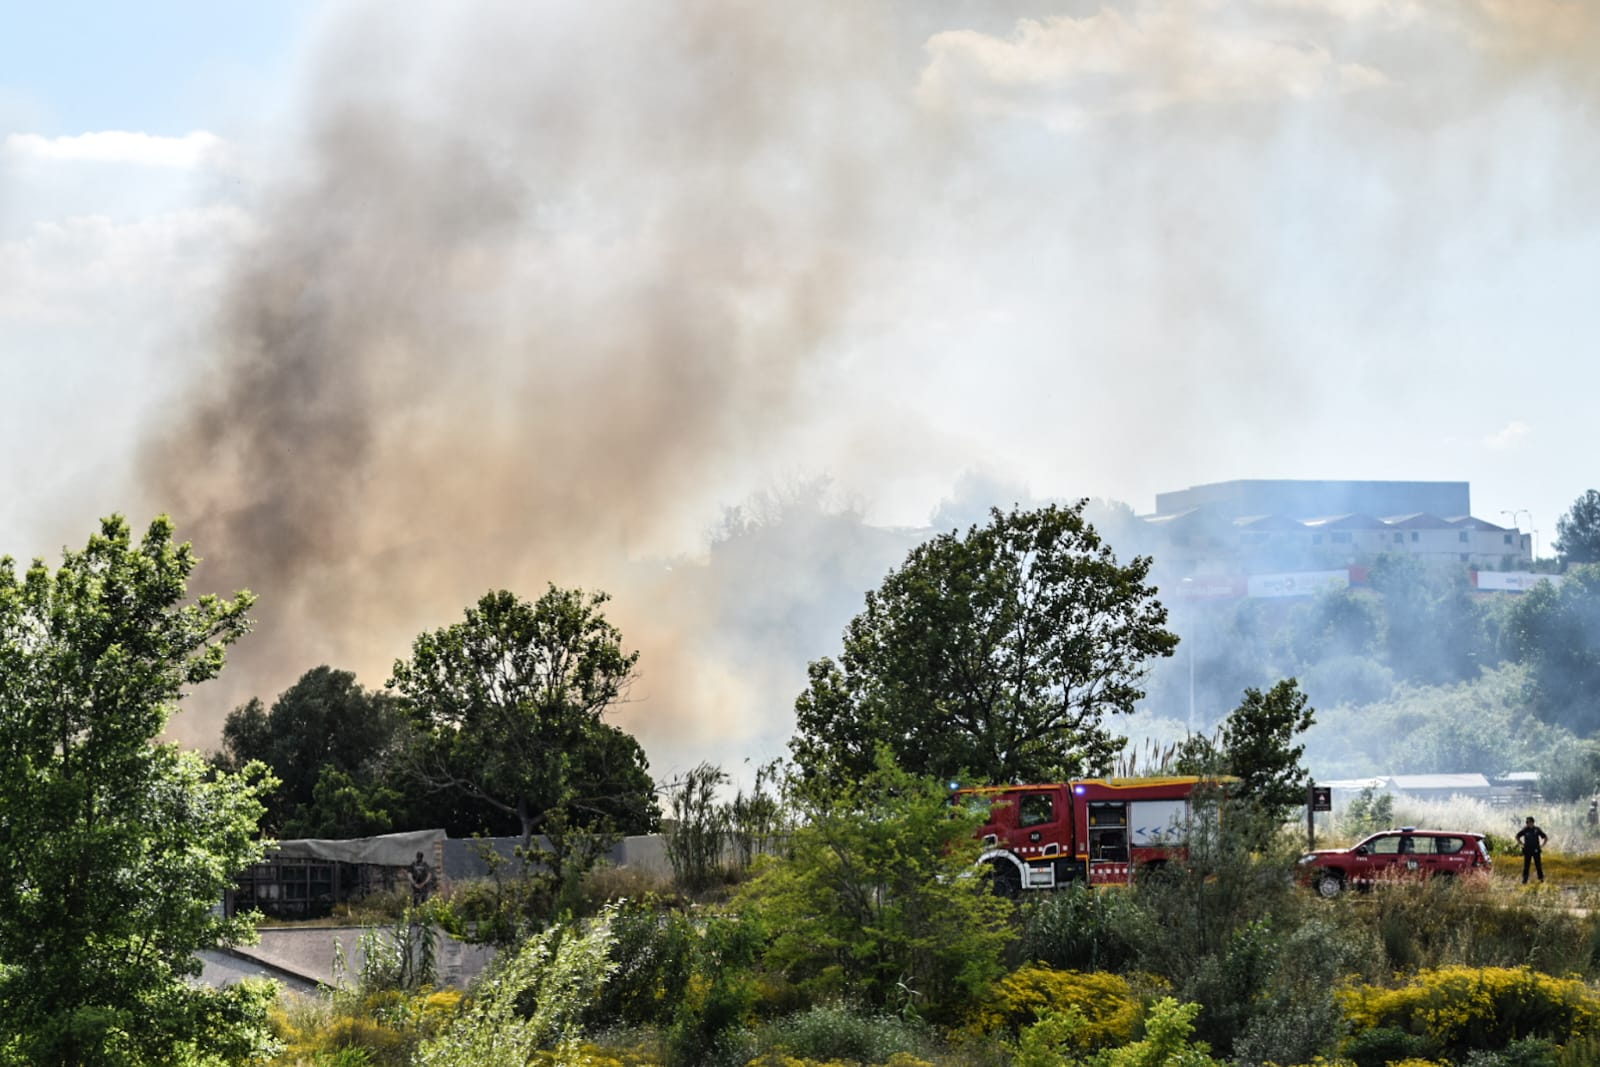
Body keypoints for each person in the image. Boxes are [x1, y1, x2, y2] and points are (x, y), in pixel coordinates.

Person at [1515, 816, 1548, 884]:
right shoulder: (1525, 829)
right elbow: (1517, 836)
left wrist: (1542, 846)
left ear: (1533, 822)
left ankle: (1541, 879)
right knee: (1526, 866)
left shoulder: (1537, 829)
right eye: (1527, 822)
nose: (1528, 824)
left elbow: (1545, 837)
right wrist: (1521, 844)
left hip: (1536, 850)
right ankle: (1525, 880)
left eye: (1530, 822)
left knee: (1538, 865)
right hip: (1527, 850)